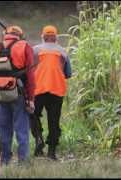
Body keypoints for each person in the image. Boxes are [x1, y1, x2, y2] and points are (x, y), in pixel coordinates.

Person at [0, 25, 35, 165]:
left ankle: (5, 161)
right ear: (20, 35)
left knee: (4, 130)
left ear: (5, 34)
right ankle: (23, 163)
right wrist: (31, 99)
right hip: (18, 94)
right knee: (22, 130)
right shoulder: (25, 46)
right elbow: (30, 75)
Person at [31, 25, 72, 160]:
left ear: (42, 37)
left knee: (32, 115)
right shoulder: (63, 52)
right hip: (56, 90)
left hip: (38, 89)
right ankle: (52, 153)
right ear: (56, 38)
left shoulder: (35, 50)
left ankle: (38, 138)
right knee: (54, 122)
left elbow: (29, 70)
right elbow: (68, 74)